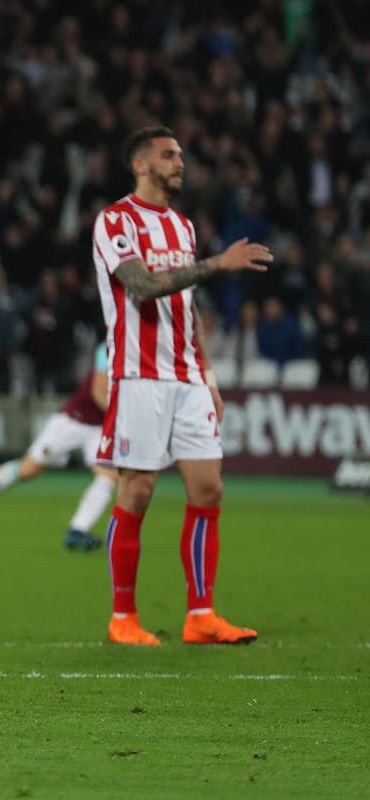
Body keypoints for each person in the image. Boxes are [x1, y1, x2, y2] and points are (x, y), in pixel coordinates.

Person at [93, 125, 272, 645]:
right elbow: (143, 286)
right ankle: (122, 617)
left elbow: (185, 309)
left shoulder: (184, 227)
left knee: (209, 489)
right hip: (138, 375)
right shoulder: (115, 221)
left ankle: (201, 615)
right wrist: (219, 264)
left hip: (187, 375)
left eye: (181, 156)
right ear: (141, 164)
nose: (180, 163)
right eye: (169, 155)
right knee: (138, 491)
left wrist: (208, 374)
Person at [0, 343, 119, 551]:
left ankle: (77, 530)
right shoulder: (109, 346)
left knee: (108, 476)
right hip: (74, 420)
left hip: (101, 427)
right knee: (28, 469)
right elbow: (99, 393)